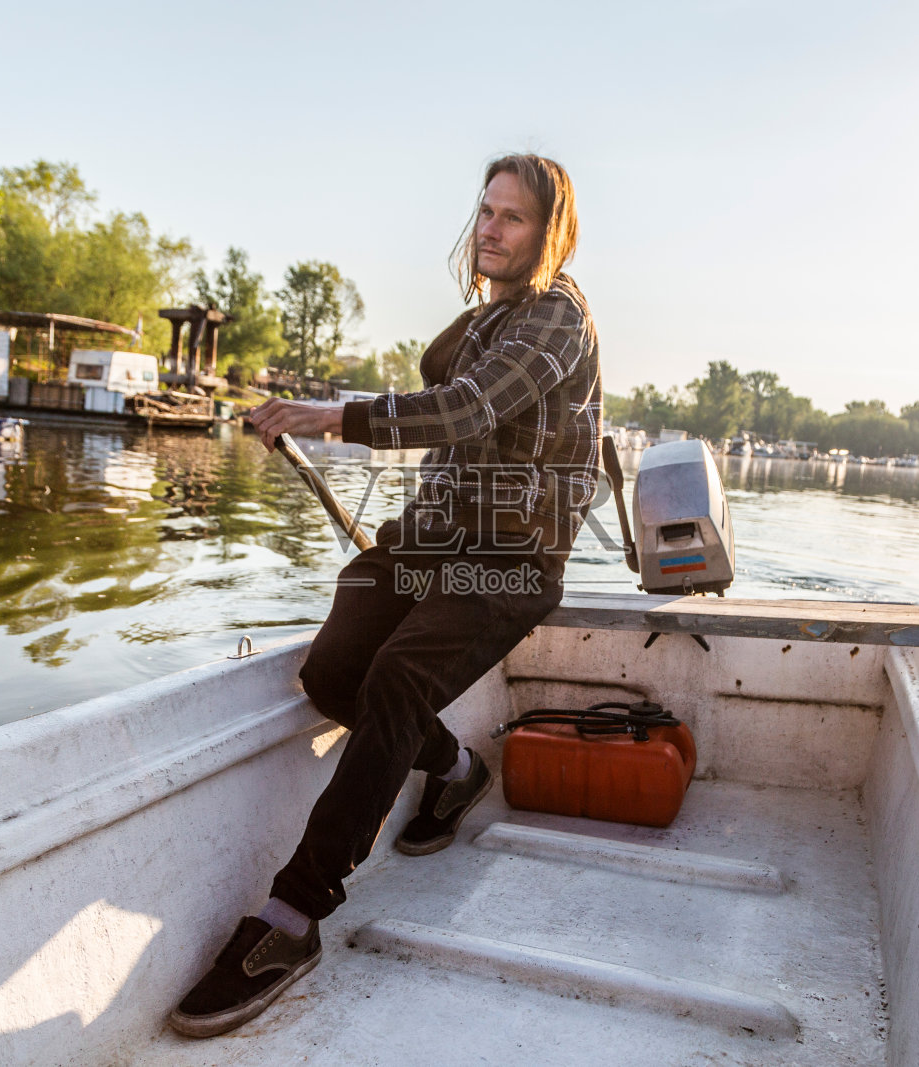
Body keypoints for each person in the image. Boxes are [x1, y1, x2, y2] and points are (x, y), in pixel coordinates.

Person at [167, 153, 602, 1038]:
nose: (488, 228)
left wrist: (331, 416)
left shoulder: (559, 317)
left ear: (548, 232)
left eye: (512, 218)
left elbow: (465, 410)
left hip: (513, 555)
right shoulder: (485, 318)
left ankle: (293, 917)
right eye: (485, 211)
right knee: (333, 674)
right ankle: (453, 770)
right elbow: (449, 395)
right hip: (433, 537)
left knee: (398, 676)